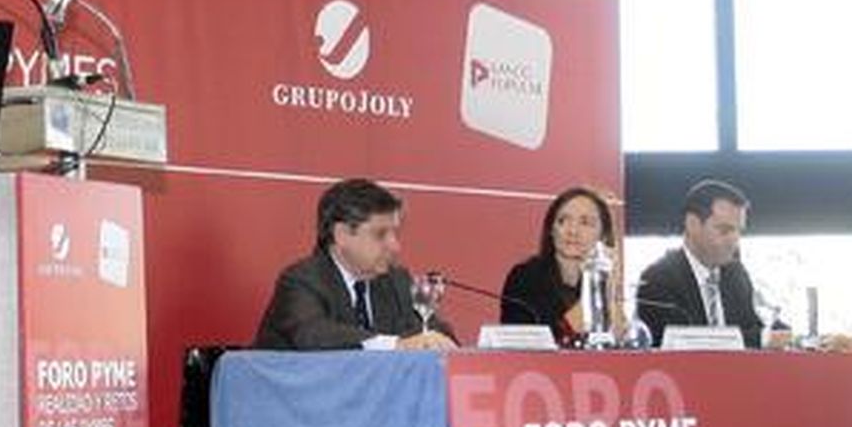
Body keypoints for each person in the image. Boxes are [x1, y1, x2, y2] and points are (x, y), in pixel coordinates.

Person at [253, 178, 456, 351]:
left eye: (395, 233)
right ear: (341, 235)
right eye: (380, 234)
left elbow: (435, 331)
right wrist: (395, 344)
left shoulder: (396, 280)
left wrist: (433, 340)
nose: (395, 246)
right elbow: (313, 334)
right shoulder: (301, 281)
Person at [636, 179, 768, 348]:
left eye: (739, 231)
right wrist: (759, 338)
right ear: (693, 224)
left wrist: (775, 333)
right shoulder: (658, 279)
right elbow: (686, 342)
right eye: (724, 230)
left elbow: (755, 329)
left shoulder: (736, 274)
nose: (735, 240)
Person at [499, 186, 618, 344]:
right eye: (563, 221)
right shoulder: (525, 277)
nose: (573, 231)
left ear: (603, 235)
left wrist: (604, 281)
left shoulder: (604, 279)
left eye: (585, 223)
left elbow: (621, 338)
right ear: (551, 230)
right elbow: (520, 343)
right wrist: (592, 298)